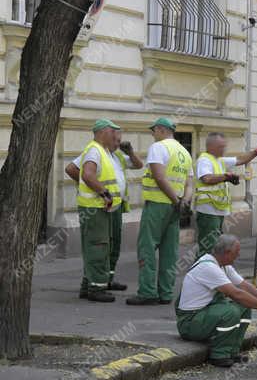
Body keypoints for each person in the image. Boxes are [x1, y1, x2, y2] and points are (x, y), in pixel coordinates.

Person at [176, 234, 257, 368]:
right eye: (237, 252)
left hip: (202, 315)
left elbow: (244, 285)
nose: (239, 255)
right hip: (189, 322)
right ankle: (219, 355)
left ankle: (232, 351)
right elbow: (237, 294)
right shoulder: (209, 267)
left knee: (244, 307)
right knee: (230, 312)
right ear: (227, 253)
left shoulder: (223, 265)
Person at [67, 129, 144, 293]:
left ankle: (107, 278)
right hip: (100, 205)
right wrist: (91, 185)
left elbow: (138, 165)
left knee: (112, 244)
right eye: (116, 140)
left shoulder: (117, 156)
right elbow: (71, 169)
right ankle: (95, 283)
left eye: (119, 141)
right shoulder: (95, 152)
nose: (117, 144)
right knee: (98, 244)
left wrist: (129, 150)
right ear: (107, 137)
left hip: (115, 206)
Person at [129, 117, 193, 306]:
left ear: (160, 129)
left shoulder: (158, 147)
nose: (152, 134)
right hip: (175, 208)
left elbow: (159, 176)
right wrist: (184, 202)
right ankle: (166, 293)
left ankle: (147, 292)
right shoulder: (184, 152)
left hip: (157, 204)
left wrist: (174, 200)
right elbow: (190, 184)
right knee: (169, 250)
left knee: (147, 248)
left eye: (153, 131)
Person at [194, 133, 257, 257]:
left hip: (217, 210)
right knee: (207, 247)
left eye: (224, 146)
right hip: (208, 210)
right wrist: (226, 177)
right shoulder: (205, 160)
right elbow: (207, 179)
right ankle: (201, 271)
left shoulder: (219, 160)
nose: (224, 149)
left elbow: (241, 159)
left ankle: (211, 270)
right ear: (211, 146)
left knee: (214, 246)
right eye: (220, 146)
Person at [73, 119, 123, 302]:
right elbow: (87, 174)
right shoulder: (94, 150)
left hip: (99, 209)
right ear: (103, 132)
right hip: (94, 208)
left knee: (97, 246)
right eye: (112, 133)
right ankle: (96, 289)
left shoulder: (101, 151)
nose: (115, 136)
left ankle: (88, 286)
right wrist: (103, 192)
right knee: (98, 247)